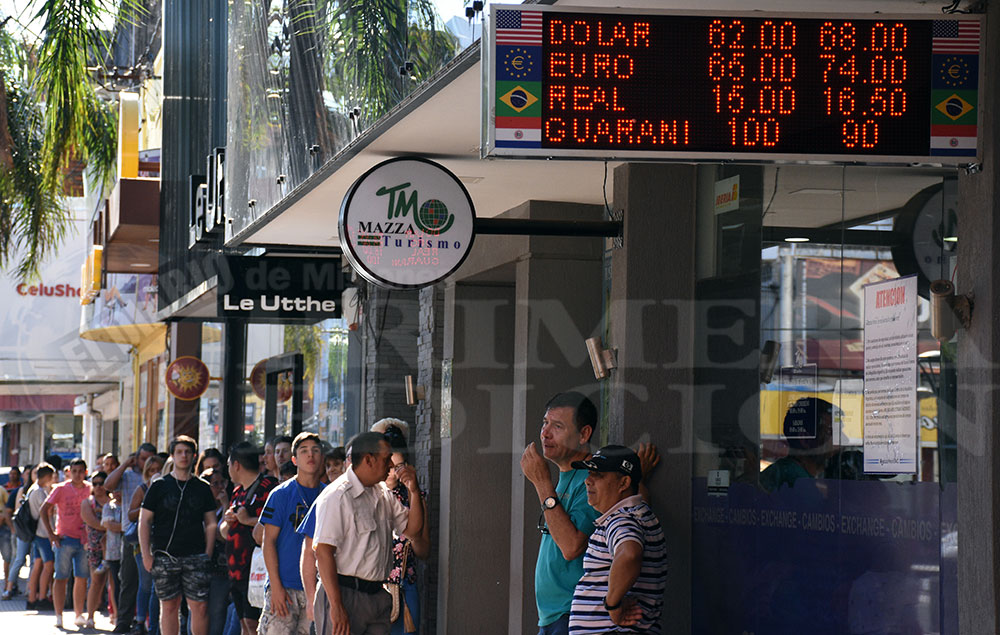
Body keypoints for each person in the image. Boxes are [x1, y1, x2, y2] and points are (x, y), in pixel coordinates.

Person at [312, 431, 424, 635]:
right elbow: (323, 552)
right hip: (345, 594)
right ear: (368, 460)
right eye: (386, 458)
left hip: (378, 596)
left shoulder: (382, 494)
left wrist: (414, 491)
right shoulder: (337, 496)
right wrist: (336, 607)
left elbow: (412, 530)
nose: (391, 465)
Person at [519, 392, 602, 635]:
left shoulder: (592, 480)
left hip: (573, 612)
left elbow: (571, 546)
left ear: (584, 434)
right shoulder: (567, 476)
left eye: (557, 426)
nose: (545, 433)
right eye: (545, 423)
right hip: (551, 615)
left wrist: (542, 483)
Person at [568, 445, 668, 634]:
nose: (588, 481)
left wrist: (612, 606)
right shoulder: (637, 513)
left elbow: (629, 553)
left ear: (623, 483)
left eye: (598, 475)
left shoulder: (620, 520)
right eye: (589, 473)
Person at [139, 435, 218, 635]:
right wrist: (146, 555)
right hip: (165, 556)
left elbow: (210, 523)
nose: (184, 456)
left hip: (196, 556)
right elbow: (144, 521)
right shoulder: (159, 486)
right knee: (169, 606)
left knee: (199, 606)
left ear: (193, 456)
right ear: (173, 456)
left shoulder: (202, 487)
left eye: (188, 452)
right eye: (179, 452)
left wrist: (207, 553)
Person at [258, 432, 325, 635]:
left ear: (321, 456)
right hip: (284, 587)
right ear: (294, 459)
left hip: (317, 589)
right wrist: (276, 586)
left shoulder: (329, 495)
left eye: (315, 450)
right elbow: (267, 542)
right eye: (304, 451)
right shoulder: (280, 494)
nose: (310, 455)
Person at [369, 420, 429, 635]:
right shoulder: (367, 494)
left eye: (398, 467)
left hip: (404, 587)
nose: (391, 472)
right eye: (388, 464)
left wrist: (411, 533)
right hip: (371, 587)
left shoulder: (414, 497)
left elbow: (423, 551)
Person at [221, 442, 278, 635]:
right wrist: (228, 521)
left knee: (255, 624)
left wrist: (247, 520)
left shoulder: (268, 487)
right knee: (245, 623)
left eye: (229, 464)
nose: (228, 469)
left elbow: (275, 524)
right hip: (236, 571)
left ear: (236, 465)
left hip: (256, 570)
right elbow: (223, 531)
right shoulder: (237, 492)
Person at [108, 442, 157, 634]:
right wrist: (125, 464)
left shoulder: (159, 479)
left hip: (156, 536)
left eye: (150, 460)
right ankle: (124, 620)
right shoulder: (128, 476)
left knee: (149, 584)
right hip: (132, 534)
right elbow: (108, 485)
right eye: (143, 459)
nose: (147, 464)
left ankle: (146, 621)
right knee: (128, 579)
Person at [40, 457, 92, 629]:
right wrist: (51, 534)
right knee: (61, 577)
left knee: (81, 577)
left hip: (84, 539)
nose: (77, 475)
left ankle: (78, 614)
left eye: (80, 472)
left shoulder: (90, 489)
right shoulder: (61, 489)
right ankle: (59, 615)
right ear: (69, 472)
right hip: (64, 539)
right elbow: (44, 509)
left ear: (85, 472)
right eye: (74, 471)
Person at [760, 397, 837, 493]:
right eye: (832, 433)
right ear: (805, 440)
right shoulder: (798, 484)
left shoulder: (782, 472)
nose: (841, 442)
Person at [8, 462, 55, 608]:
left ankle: (32, 597)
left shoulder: (33, 489)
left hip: (37, 533)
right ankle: (40, 597)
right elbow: (45, 512)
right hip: (42, 533)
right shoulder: (39, 492)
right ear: (47, 476)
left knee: (37, 565)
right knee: (48, 565)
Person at [130, 454, 166, 635]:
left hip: (162, 545)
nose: (155, 473)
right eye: (151, 470)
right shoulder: (143, 489)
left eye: (158, 469)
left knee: (155, 588)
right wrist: (147, 504)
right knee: (146, 585)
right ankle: (140, 621)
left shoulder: (168, 488)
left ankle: (155, 626)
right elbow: (130, 514)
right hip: (143, 545)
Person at [199, 467, 231, 635]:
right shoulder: (199, 509)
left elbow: (224, 534)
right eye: (215, 484)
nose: (220, 487)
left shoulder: (227, 507)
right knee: (198, 611)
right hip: (199, 567)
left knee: (217, 612)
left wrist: (225, 504)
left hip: (221, 570)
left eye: (222, 482)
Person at [82, 471, 111, 628]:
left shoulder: (114, 500)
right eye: (95, 483)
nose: (98, 486)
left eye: (101, 483)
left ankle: (115, 615)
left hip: (113, 547)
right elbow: (92, 522)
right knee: (96, 580)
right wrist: (110, 526)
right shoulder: (88, 502)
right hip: (96, 547)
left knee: (114, 581)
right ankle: (90, 616)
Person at [103, 487, 124, 629]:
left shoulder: (129, 504)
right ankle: (117, 616)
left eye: (120, 489)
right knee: (116, 585)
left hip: (127, 551)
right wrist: (126, 526)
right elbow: (109, 525)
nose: (117, 492)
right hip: (114, 551)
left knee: (127, 584)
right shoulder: (108, 506)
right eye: (115, 490)